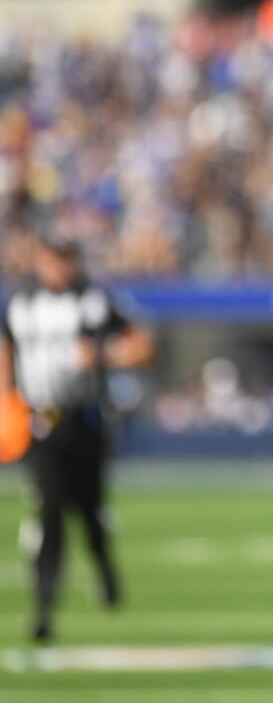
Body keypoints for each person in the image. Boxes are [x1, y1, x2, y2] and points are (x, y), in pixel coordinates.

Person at [0, 235, 154, 642]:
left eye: (67, 259)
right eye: (54, 258)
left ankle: (104, 570)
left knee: (90, 512)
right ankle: (43, 609)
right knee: (48, 511)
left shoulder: (95, 301)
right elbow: (7, 349)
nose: (60, 268)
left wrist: (103, 356)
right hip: (40, 423)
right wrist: (6, 399)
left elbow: (141, 344)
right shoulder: (20, 304)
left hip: (84, 421)